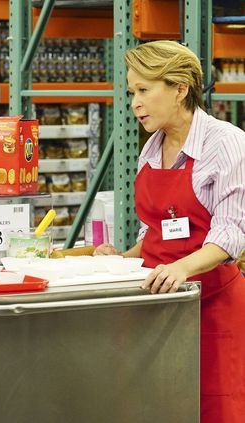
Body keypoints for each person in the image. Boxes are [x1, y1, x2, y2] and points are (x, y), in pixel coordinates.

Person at [94, 40, 245, 422]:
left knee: (215, 407)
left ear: (180, 89)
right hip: (156, 306)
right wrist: (125, 257)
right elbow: (158, 230)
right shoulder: (151, 148)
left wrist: (181, 269)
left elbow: (231, 232)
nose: (134, 104)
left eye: (144, 90)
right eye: (132, 92)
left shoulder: (225, 143)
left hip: (210, 308)